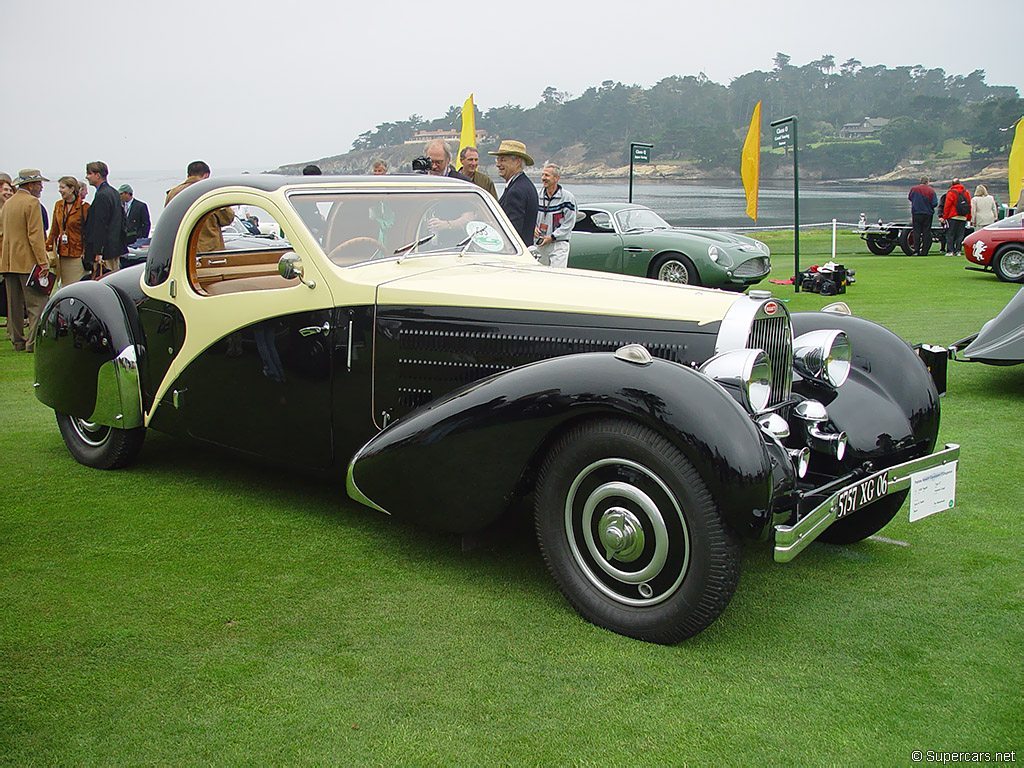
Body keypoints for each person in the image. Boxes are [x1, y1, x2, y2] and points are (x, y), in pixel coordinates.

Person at [1, 169, 51, 352]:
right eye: (39, 183)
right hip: (27, 261)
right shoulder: (31, 203)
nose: (41, 187)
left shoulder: (8, 203)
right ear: (30, 185)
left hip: (8, 261)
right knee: (37, 303)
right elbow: (35, 236)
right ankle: (32, 342)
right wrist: (43, 262)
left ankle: (17, 341)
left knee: (13, 305)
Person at [166, 160, 234, 252]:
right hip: (208, 249)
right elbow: (227, 218)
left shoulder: (173, 193)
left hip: (181, 248)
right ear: (206, 175)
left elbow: (168, 221)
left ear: (188, 174)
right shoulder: (210, 193)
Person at [489, 139, 538, 245]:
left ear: (517, 162)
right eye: (497, 160)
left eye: (502, 160)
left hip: (515, 254)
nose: (498, 164)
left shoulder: (516, 191)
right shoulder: (524, 185)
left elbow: (512, 232)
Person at [46, 176, 89, 287]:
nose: (60, 190)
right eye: (59, 187)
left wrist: (88, 252)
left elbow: (88, 232)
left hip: (78, 254)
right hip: (63, 253)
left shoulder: (84, 207)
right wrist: (48, 247)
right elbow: (54, 229)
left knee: (77, 285)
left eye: (62, 187)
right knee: (64, 285)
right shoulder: (59, 205)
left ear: (71, 189)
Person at [83, 161, 124, 274]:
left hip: (106, 250)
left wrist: (98, 251)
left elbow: (100, 224)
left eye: (89, 173)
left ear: (98, 175)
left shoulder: (102, 195)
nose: (87, 177)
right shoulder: (114, 192)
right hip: (114, 247)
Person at [534, 163, 576, 268]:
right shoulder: (537, 196)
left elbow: (569, 223)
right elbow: (532, 215)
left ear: (557, 178)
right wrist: (533, 228)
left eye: (547, 175)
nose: (543, 178)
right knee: (540, 275)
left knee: (557, 276)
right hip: (541, 243)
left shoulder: (567, 198)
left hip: (559, 244)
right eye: (542, 175)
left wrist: (553, 237)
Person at [907, 176, 937, 256]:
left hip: (916, 213)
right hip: (927, 214)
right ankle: (924, 251)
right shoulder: (931, 190)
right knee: (926, 232)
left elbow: (910, 198)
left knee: (916, 232)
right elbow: (934, 203)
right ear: (927, 182)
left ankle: (916, 250)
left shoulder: (914, 189)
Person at [941, 178, 971, 257]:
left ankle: (950, 251)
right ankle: (958, 251)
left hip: (953, 216)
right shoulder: (966, 192)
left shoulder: (951, 192)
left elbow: (947, 206)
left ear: (952, 184)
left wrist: (944, 217)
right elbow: (969, 205)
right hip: (963, 216)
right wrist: (968, 217)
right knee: (960, 235)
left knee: (950, 234)